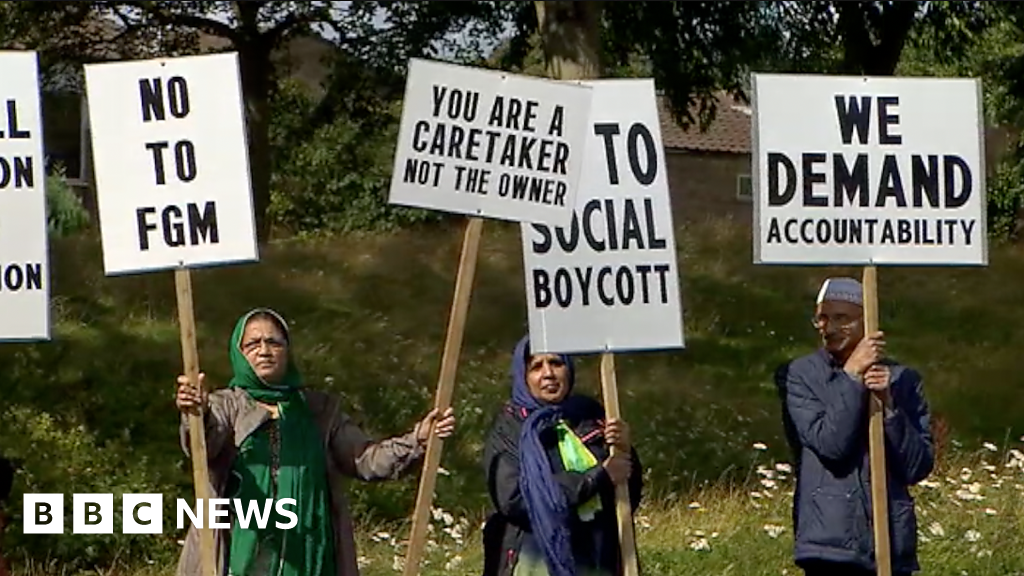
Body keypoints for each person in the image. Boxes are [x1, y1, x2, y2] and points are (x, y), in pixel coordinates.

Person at [173, 308, 456, 576]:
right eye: (253, 344)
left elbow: (366, 459)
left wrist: (417, 439)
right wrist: (196, 413)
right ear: (239, 352)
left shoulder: (318, 411)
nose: (264, 350)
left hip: (310, 553)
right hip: (240, 552)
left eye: (274, 342)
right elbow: (202, 446)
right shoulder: (226, 406)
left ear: (288, 351)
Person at [775, 277, 934, 576]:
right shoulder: (802, 375)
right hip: (830, 548)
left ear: (867, 321)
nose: (829, 327)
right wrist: (851, 376)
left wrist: (888, 406)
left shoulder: (903, 380)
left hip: (890, 543)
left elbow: (917, 466)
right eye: (822, 318)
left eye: (841, 318)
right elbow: (830, 444)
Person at [481, 335, 642, 576]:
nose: (548, 374)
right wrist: (596, 478)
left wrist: (625, 450)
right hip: (536, 560)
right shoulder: (510, 428)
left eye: (556, 363)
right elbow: (516, 499)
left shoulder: (590, 415)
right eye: (536, 366)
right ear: (523, 376)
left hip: (597, 558)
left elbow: (627, 494)